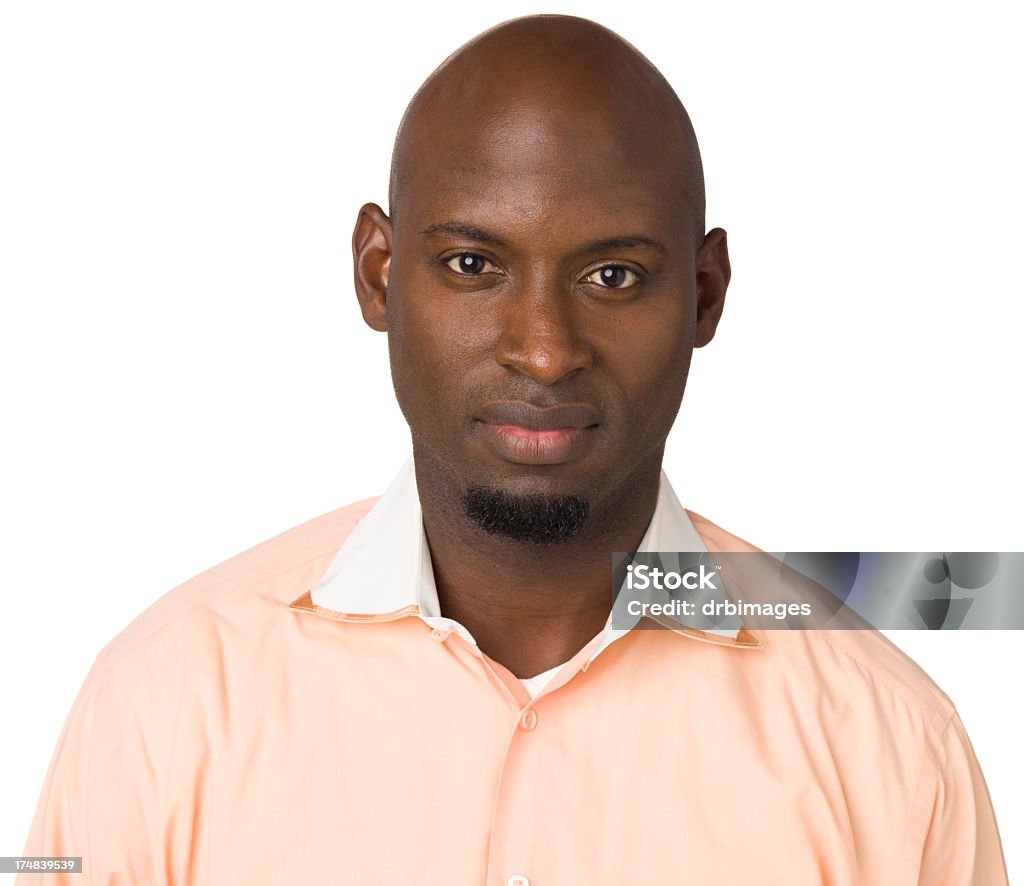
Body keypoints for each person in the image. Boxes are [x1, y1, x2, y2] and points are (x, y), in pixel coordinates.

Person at [17, 14, 1008, 885]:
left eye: (614, 274)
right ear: (378, 274)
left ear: (704, 294)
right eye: (472, 264)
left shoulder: (889, 748)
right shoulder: (161, 708)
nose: (543, 347)